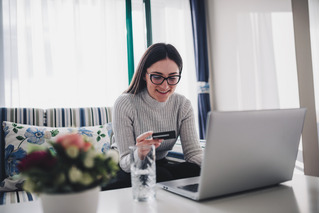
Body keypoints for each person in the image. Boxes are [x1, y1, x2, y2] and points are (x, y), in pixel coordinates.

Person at [105, 43, 202, 190]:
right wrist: (139, 153)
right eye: (157, 77)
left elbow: (193, 154)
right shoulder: (125, 103)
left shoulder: (183, 105)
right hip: (124, 166)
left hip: (158, 165)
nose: (165, 86)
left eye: (172, 78)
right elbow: (124, 162)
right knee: (162, 176)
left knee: (192, 170)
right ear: (144, 74)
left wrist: (216, 165)